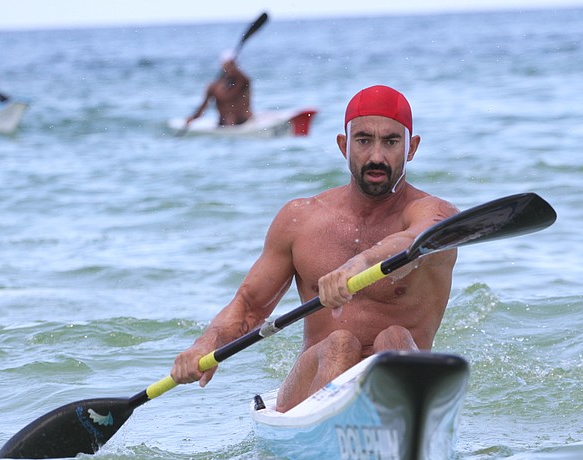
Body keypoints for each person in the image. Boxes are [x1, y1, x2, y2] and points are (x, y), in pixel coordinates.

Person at [170, 85, 459, 412]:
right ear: (343, 145)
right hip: (313, 387)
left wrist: (358, 264)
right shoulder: (300, 219)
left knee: (393, 339)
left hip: (400, 390)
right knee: (340, 344)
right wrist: (205, 344)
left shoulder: (435, 214)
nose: (376, 156)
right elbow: (250, 306)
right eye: (363, 141)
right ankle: (329, 433)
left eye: (391, 142)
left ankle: (395, 426)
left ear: (412, 148)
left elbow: (411, 246)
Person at [184, 49, 252, 127]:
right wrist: (193, 118)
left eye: (232, 66)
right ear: (222, 65)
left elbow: (232, 93)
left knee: (233, 118)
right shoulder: (213, 87)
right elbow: (203, 107)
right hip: (225, 122)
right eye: (227, 66)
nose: (230, 69)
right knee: (229, 119)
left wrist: (234, 67)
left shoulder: (243, 81)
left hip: (244, 120)